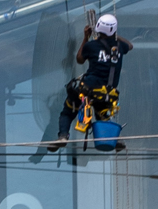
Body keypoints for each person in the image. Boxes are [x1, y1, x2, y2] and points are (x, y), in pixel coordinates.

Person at [47, 11, 133, 149]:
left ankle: (63, 136)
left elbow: (79, 59)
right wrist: (115, 36)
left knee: (68, 111)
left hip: (88, 89)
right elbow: (130, 45)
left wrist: (85, 37)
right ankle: (113, 140)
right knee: (102, 115)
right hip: (106, 93)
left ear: (98, 27)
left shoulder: (91, 46)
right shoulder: (120, 47)